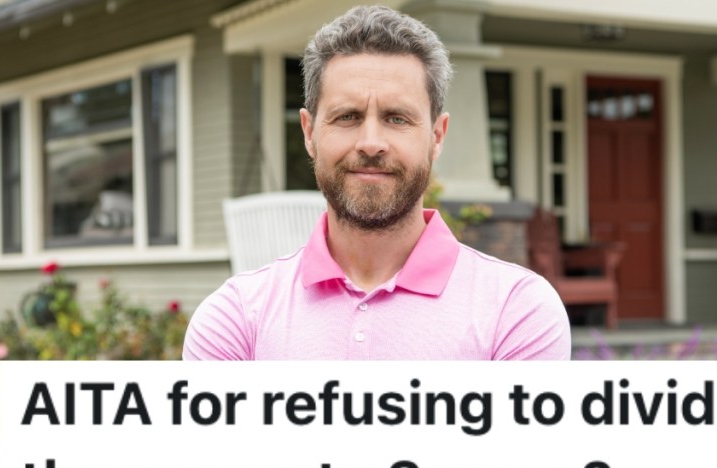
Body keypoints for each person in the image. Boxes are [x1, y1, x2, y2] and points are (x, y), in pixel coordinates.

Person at [183, 5, 570, 361]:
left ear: (437, 136)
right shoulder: (235, 318)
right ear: (309, 132)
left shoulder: (517, 311)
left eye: (397, 118)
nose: (371, 143)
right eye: (347, 116)